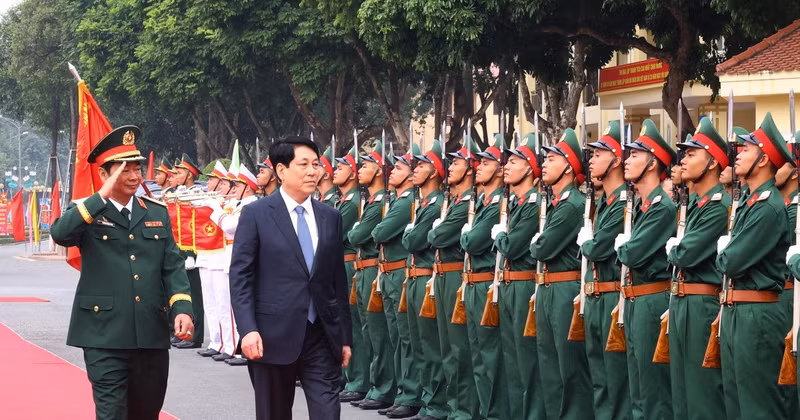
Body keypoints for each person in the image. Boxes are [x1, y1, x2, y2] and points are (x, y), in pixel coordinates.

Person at [51, 125, 194, 419]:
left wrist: (182, 308)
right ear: (104, 174)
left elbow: (172, 266)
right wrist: (100, 196)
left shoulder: (155, 212)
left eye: (137, 169)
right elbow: (60, 233)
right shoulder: (88, 212)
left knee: (145, 412)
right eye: (123, 170)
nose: (133, 176)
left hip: (150, 333)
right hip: (103, 335)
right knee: (112, 413)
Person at [229, 136, 352, 420]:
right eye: (304, 164)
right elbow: (241, 277)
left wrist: (344, 336)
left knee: (327, 412)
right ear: (281, 170)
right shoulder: (256, 214)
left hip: (321, 334)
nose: (313, 171)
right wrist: (247, 329)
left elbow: (337, 281)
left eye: (316, 164)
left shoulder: (329, 216)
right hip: (271, 336)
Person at [716, 113, 793, 420]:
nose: (738, 153)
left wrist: (725, 254)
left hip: (756, 317)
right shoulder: (752, 202)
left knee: (758, 409)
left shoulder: (768, 206)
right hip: (739, 313)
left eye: (747, 149)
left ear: (763, 160)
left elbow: (730, 261)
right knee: (736, 406)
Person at [665, 117, 730, 420]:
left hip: (701, 304)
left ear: (713, 162)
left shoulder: (718, 206)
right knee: (681, 395)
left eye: (693, 153)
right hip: (682, 302)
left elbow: (685, 254)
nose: (684, 159)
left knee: (701, 396)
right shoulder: (696, 203)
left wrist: (674, 249)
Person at [615, 119, 677, 419]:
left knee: (653, 394)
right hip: (635, 300)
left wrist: (622, 246)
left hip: (651, 302)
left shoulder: (662, 207)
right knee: (637, 391)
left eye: (635, 155)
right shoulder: (643, 206)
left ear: (653, 163)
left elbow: (632, 253)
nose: (627, 161)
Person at [531, 128, 593, 420]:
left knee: (569, 370)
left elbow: (541, 248)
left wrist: (536, 242)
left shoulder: (572, 206)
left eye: (552, 158)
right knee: (549, 367)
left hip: (564, 290)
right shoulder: (558, 203)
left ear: (568, 166)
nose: (544, 163)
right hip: (547, 289)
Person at [578, 121, 631, 420]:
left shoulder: (624, 201)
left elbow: (597, 249)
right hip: (595, 296)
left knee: (616, 380)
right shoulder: (605, 202)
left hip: (612, 298)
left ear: (615, 159)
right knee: (599, 378)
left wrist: (588, 242)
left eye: (598, 154)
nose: (592, 160)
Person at [491, 133, 545, 420]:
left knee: (527, 362)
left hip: (524, 283)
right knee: (512, 361)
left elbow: (512, 246)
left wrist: (500, 236)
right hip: (509, 282)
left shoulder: (533, 204)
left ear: (529, 168)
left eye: (513, 161)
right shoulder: (516, 203)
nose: (506, 167)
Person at [428, 141, 480, 420]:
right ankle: (454, 407)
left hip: (455, 275)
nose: (451, 168)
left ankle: (464, 410)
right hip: (444, 275)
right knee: (446, 348)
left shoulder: (469, 204)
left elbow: (438, 237)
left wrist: (438, 231)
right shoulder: (456, 203)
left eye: (458, 163)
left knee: (461, 350)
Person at [370, 146, 422, 419]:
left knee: (405, 339)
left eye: (400, 168)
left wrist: (377, 230)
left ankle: (410, 394)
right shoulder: (399, 200)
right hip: (389, 272)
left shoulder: (405, 203)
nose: (393, 171)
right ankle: (402, 391)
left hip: (400, 273)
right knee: (393, 337)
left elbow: (378, 231)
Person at [461, 135, 509, 420]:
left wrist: (466, 236)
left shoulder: (497, 205)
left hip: (487, 283)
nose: (479, 166)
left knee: (491, 358)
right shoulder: (485, 202)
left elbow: (472, 241)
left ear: (500, 169)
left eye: (487, 162)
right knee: (477, 357)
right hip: (473, 283)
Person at [402, 138, 448, 420]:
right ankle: (428, 400)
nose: (414, 170)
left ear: (434, 171)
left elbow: (414, 240)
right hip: (416, 277)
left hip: (428, 278)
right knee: (419, 345)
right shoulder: (426, 204)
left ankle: (437, 403)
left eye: (420, 166)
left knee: (432, 347)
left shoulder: (435, 205)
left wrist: (412, 233)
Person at [348, 139, 395, 411]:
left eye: (365, 165)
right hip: (364, 268)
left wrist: (359, 231)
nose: (358, 171)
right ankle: (373, 384)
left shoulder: (381, 204)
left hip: (377, 269)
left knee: (382, 335)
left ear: (379, 170)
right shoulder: (371, 201)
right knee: (369, 332)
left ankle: (385, 387)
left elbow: (361, 234)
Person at [333, 145, 371, 403]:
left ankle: (358, 379)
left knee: (356, 327)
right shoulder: (344, 201)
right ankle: (349, 377)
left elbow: (332, 233)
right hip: (343, 264)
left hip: (348, 264)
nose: (336, 171)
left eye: (340, 167)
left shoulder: (354, 202)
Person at [194, 160, 233, 360]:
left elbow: (229, 227)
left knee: (224, 305)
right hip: (207, 256)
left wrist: (215, 207)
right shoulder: (213, 201)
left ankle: (229, 345)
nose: (208, 184)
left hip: (221, 257)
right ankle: (216, 342)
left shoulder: (230, 205)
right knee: (211, 304)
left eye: (215, 181)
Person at [172, 153, 205, 349]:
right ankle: (186, 333)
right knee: (186, 294)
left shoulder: (196, 196)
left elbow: (197, 226)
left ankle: (196, 335)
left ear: (190, 174)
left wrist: (192, 253)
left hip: (193, 252)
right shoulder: (181, 193)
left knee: (195, 296)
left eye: (180, 172)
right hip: (181, 251)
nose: (176, 175)